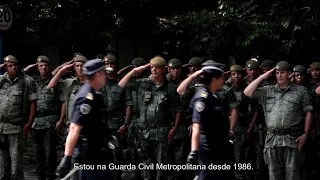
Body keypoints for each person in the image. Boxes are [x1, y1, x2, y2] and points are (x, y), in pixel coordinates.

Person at [244, 61, 313, 180]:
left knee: (292, 175)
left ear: (289, 74)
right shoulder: (267, 90)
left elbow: (309, 112)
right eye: (277, 73)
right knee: (274, 175)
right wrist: (262, 76)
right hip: (272, 139)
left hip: (292, 138)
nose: (279, 75)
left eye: (283, 73)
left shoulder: (300, 91)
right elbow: (247, 92)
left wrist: (306, 134)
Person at [56, 59, 113, 180]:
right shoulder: (86, 98)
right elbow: (74, 128)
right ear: (98, 75)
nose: (106, 76)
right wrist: (67, 158)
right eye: (104, 72)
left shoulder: (96, 95)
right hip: (90, 157)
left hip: (100, 153)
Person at [186, 63, 231, 180]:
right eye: (221, 77)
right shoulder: (202, 98)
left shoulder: (214, 97)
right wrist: (194, 151)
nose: (223, 80)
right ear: (214, 79)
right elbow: (196, 126)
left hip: (217, 143)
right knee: (207, 174)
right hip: (207, 145)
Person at [0, 55, 37, 180]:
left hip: (16, 128)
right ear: (5, 67)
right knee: (2, 166)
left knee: (16, 166)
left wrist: (29, 123)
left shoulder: (27, 81)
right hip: (1, 129)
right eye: (10, 66)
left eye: (15, 65)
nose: (13, 68)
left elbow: (33, 103)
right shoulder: (1, 80)